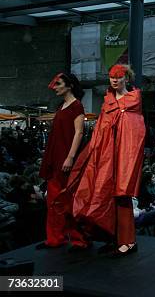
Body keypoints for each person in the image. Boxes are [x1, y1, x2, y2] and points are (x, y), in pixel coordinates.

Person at [64, 64, 145, 257]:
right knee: (107, 194)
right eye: (111, 77)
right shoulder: (107, 101)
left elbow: (135, 131)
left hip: (124, 155)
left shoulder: (134, 100)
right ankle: (115, 238)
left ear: (126, 78)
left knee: (122, 195)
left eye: (118, 77)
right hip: (106, 156)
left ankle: (128, 241)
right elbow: (101, 128)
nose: (115, 80)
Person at [36, 73, 89, 251]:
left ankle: (78, 239)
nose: (55, 87)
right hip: (56, 158)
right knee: (53, 200)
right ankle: (55, 238)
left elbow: (79, 133)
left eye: (58, 84)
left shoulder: (77, 106)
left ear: (69, 85)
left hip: (66, 158)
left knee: (69, 200)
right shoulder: (63, 106)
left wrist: (70, 157)